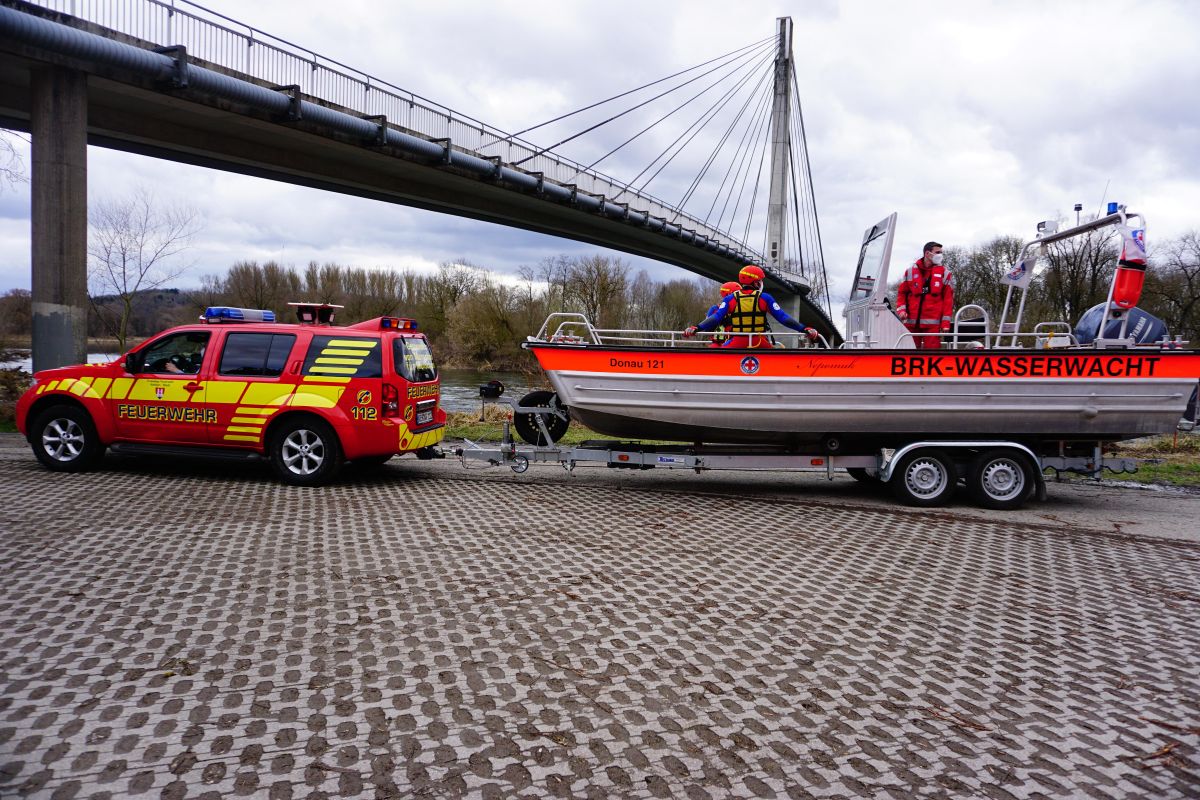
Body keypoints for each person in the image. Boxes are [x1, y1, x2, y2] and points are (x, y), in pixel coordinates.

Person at [683, 265, 820, 348]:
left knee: (719, 353)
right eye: (760, 281)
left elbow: (715, 318)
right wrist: (804, 328)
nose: (761, 283)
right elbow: (783, 318)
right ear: (755, 283)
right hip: (759, 341)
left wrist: (696, 328)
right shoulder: (765, 298)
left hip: (736, 342)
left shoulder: (731, 299)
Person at [896, 241, 955, 350]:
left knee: (932, 355)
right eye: (938, 252)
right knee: (909, 352)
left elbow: (948, 300)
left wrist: (945, 323)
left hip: (933, 324)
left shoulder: (945, 273)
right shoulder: (909, 272)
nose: (940, 255)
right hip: (911, 323)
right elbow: (901, 293)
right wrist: (901, 311)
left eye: (941, 252)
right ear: (927, 254)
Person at [706, 281, 741, 346]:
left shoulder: (742, 309)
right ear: (729, 294)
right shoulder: (715, 309)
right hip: (718, 343)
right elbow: (707, 328)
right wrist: (720, 321)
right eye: (738, 293)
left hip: (737, 342)